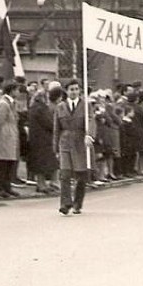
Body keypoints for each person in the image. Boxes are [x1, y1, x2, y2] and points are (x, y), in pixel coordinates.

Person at [53, 79, 95, 216]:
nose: (74, 92)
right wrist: (55, 148)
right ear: (66, 91)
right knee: (65, 175)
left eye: (76, 89)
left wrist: (89, 135)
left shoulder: (86, 105)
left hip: (80, 142)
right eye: (71, 89)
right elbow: (56, 128)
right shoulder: (60, 107)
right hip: (65, 142)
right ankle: (65, 204)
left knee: (81, 175)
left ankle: (77, 203)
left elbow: (91, 121)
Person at [0, 81, 21, 199]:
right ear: (12, 90)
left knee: (9, 163)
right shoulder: (3, 104)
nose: (18, 92)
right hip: (3, 137)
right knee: (1, 163)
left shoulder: (12, 103)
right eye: (17, 90)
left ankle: (7, 187)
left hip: (10, 137)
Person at [28, 88, 59, 193]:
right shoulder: (41, 109)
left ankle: (42, 184)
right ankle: (42, 185)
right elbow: (49, 123)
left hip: (36, 138)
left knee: (40, 163)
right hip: (43, 139)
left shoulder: (33, 108)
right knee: (42, 163)